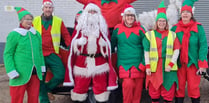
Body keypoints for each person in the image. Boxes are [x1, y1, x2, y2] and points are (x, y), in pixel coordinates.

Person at [67, 3, 117, 103]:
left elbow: (109, 43)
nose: (92, 14)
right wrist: (78, 42)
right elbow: (72, 44)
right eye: (90, 11)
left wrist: (104, 45)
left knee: (100, 88)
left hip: (99, 61)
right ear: (86, 13)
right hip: (82, 62)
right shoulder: (79, 28)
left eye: (94, 11)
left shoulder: (103, 27)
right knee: (80, 87)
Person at [3, 7, 46, 103]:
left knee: (34, 99)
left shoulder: (36, 34)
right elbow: (8, 54)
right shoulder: (14, 34)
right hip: (19, 73)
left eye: (31, 19)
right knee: (17, 99)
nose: (29, 21)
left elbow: (40, 52)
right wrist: (11, 71)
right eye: (27, 19)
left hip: (35, 73)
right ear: (21, 20)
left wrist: (42, 67)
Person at [32, 0, 71, 102]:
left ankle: (47, 89)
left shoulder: (58, 21)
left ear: (52, 9)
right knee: (41, 78)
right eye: (46, 7)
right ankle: (45, 100)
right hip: (39, 54)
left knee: (61, 75)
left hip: (53, 53)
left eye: (50, 8)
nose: (48, 9)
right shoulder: (34, 21)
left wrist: (69, 45)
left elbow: (66, 35)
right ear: (42, 9)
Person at [143, 0, 181, 103]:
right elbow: (146, 52)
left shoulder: (172, 35)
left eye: (163, 21)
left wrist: (171, 64)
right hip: (154, 68)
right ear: (156, 22)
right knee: (154, 94)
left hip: (168, 68)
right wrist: (147, 66)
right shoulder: (149, 35)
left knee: (168, 93)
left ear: (166, 23)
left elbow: (176, 50)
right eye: (159, 21)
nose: (161, 23)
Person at [171, 0, 208, 103]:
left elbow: (203, 46)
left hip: (193, 63)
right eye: (183, 12)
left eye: (188, 12)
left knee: (193, 88)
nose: (185, 14)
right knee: (179, 88)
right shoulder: (174, 29)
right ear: (180, 14)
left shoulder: (198, 28)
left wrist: (202, 63)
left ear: (191, 14)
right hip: (179, 64)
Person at [111, 4, 146, 103]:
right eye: (128, 15)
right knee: (128, 86)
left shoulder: (141, 29)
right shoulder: (117, 29)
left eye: (132, 15)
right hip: (124, 64)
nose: (130, 17)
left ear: (135, 17)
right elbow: (111, 46)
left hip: (139, 65)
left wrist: (143, 64)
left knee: (137, 92)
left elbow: (146, 48)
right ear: (124, 17)